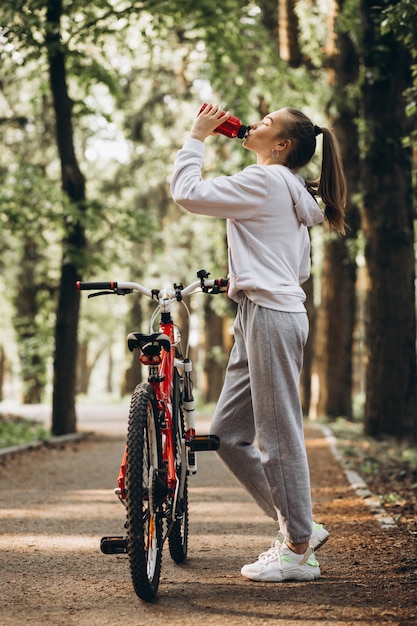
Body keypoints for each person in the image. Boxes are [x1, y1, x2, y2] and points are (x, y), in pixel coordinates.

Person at [170, 103, 346, 582]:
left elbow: (186, 193)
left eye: (267, 123)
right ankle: (302, 525)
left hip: (271, 316)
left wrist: (197, 135)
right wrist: (245, 277)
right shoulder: (287, 189)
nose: (255, 123)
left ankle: (297, 549)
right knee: (227, 436)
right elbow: (298, 269)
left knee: (278, 436)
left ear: (281, 145)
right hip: (263, 311)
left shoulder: (267, 181)